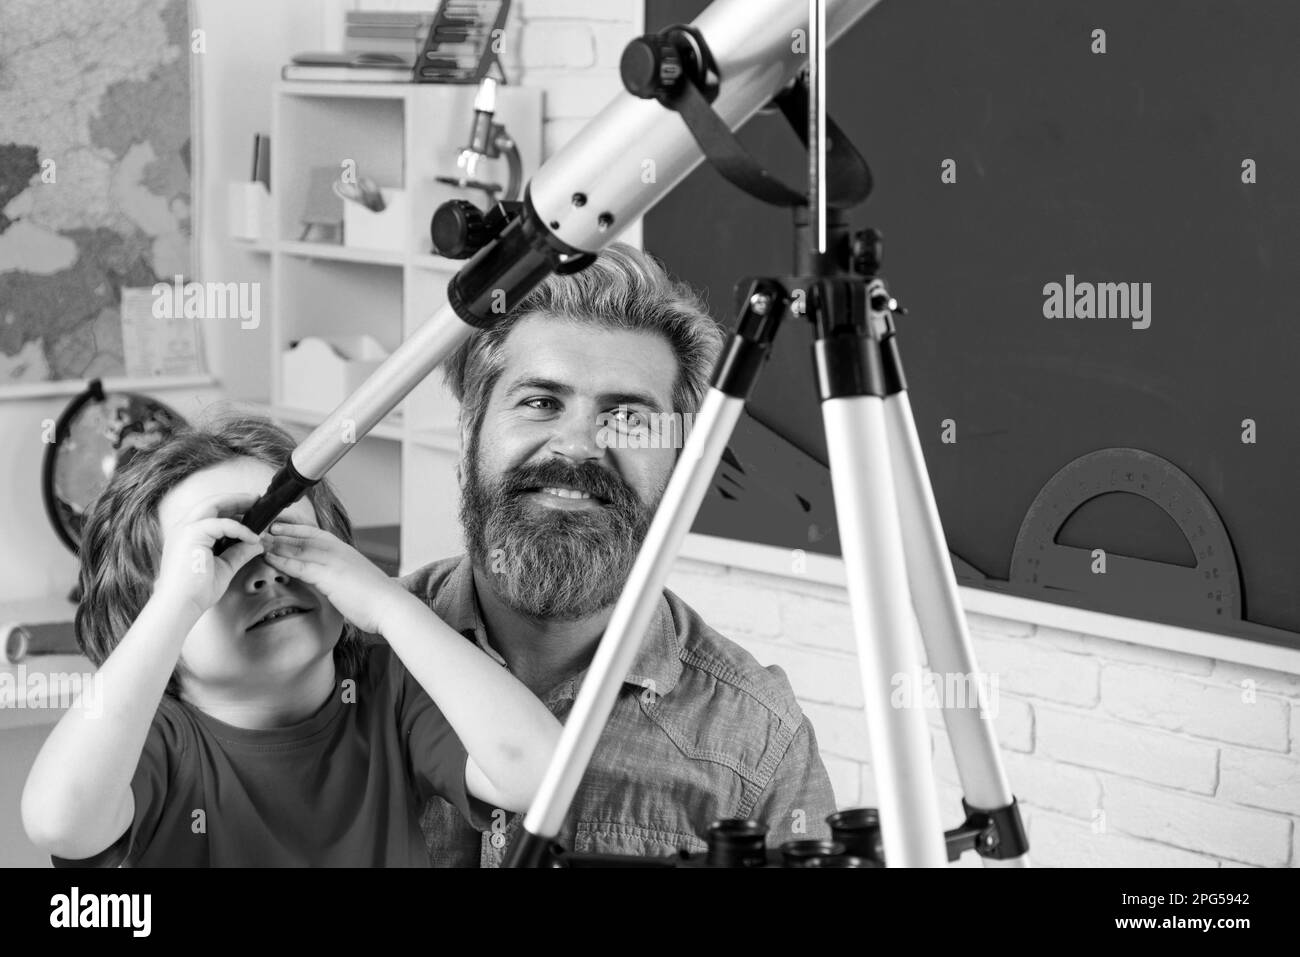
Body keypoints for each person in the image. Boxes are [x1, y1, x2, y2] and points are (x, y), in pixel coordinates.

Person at [404, 242, 837, 866]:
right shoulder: (346, 658)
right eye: (540, 402)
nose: (578, 446)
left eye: (629, 419)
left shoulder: (758, 741)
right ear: (471, 431)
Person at [21, 415, 561, 867]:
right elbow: (59, 822)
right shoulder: (159, 740)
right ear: (148, 617)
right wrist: (176, 605)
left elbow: (542, 778)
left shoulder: (386, 691)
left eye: (287, 541)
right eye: (220, 556)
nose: (265, 573)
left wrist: (387, 604)